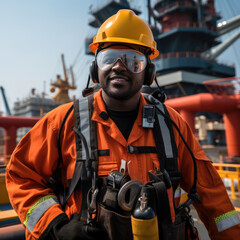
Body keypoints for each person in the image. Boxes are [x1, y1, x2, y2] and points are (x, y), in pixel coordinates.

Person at [6, 9, 240, 240]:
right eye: (108, 59)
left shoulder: (171, 125)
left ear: (148, 72)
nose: (118, 66)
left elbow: (215, 201)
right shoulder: (62, 123)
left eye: (133, 61)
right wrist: (55, 227)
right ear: (95, 69)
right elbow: (20, 176)